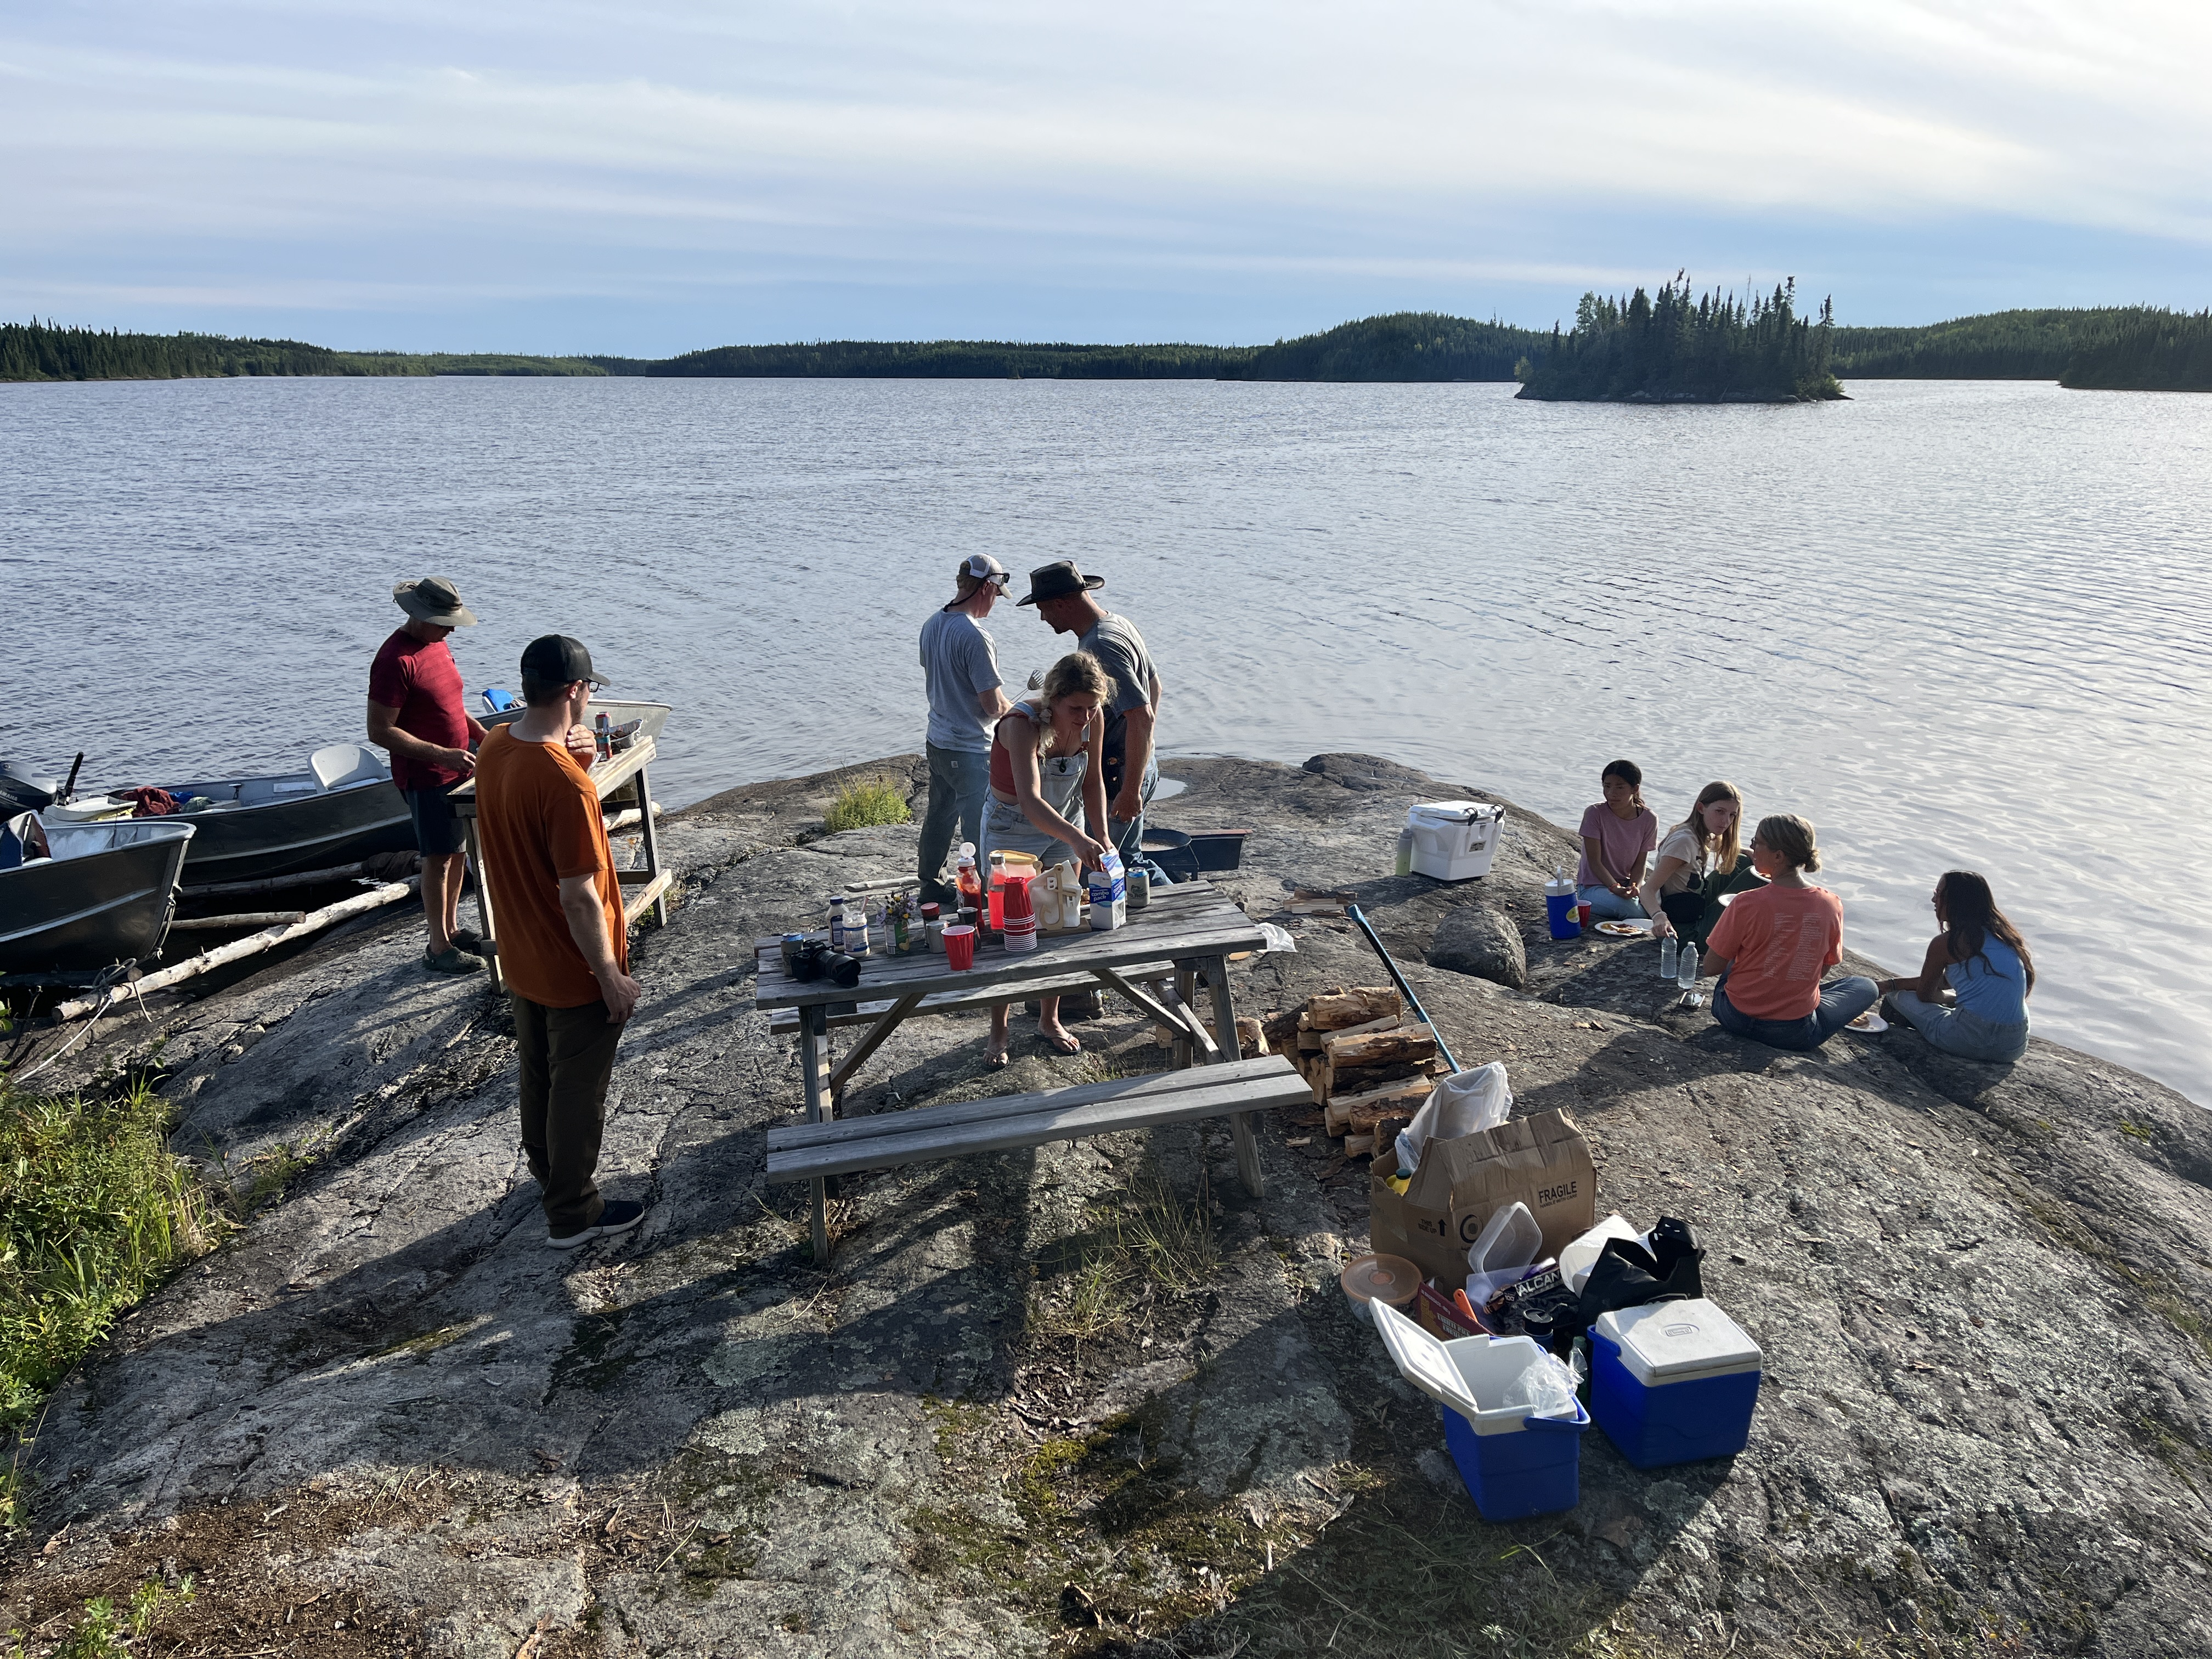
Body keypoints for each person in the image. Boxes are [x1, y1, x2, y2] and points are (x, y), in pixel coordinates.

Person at [473, 635, 647, 1249]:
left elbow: (537, 788)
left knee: (539, 1075)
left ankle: (551, 1178)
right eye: (590, 687)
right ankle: (572, 1211)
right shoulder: (566, 788)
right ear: (575, 690)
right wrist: (608, 974)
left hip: (521, 955)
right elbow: (578, 894)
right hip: (572, 965)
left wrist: (584, 756)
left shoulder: (494, 748)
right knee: (578, 1087)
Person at [981, 652, 1113, 1066]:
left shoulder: (1093, 720)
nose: (1085, 716)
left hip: (1066, 822)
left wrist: (1102, 835)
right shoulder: (1020, 725)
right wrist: (1078, 840)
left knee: (1059, 922)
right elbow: (1031, 800)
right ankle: (999, 1030)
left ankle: (1049, 1019)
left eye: (1093, 706)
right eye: (1076, 708)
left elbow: (1092, 783)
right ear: (1052, 699)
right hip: (1013, 826)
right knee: (1009, 930)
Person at [367, 577, 489, 974]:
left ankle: (452, 930)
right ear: (418, 616)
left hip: (458, 765)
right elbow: (380, 731)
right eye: (443, 621)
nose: (451, 628)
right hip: (425, 775)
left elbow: (450, 702)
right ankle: (438, 947)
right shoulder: (394, 660)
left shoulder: (437, 644)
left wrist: (479, 734)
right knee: (437, 857)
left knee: (459, 850)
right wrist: (441, 754)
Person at [1018, 559, 1164, 880]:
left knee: (1105, 867)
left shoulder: (1100, 646)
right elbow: (1154, 687)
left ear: (1060, 603)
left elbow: (1142, 714)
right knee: (1127, 860)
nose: (1043, 617)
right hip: (1139, 764)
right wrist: (1145, 752)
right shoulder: (1119, 623)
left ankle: (1185, 912)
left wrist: (1130, 788)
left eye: (1043, 609)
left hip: (1122, 774)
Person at [1700, 814, 1878, 1051]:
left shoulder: (1746, 903)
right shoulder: (1831, 904)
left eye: (1757, 842)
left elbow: (1711, 967)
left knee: (1739, 957)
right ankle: (1790, 996)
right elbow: (1823, 970)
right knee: (1866, 986)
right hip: (1793, 1032)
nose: (1752, 847)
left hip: (1734, 1016)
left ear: (1779, 856)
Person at [917, 555, 1015, 905]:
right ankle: (983, 897)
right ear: (987, 586)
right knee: (980, 826)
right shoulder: (975, 636)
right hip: (971, 749)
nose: (996, 603)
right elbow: (993, 706)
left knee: (939, 816)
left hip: (938, 741)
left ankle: (929, 884)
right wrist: (1024, 711)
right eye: (996, 594)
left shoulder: (932, 623)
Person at [1877, 871, 2033, 1063]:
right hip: (2013, 1046)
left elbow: (1925, 995)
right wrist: (1892, 983)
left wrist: (1893, 987)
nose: (1934, 898)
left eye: (1939, 892)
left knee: (1897, 997)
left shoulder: (1946, 943)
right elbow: (1957, 981)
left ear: (1957, 901)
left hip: (1967, 1040)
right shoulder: (2007, 939)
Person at [1639, 780, 1764, 949]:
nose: (1726, 821)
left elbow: (1714, 845)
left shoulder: (1697, 833)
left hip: (1697, 907)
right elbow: (1647, 890)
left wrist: (1744, 850)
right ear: (1701, 808)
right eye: (1720, 812)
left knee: (1741, 861)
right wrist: (1659, 918)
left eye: (1732, 815)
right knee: (1751, 877)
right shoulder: (1684, 842)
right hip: (1684, 933)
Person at [1576, 760, 1657, 922]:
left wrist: (1634, 887)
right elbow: (1594, 862)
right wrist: (1615, 888)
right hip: (1593, 888)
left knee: (1663, 900)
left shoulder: (1649, 819)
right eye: (1607, 786)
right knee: (1633, 910)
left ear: (1635, 789)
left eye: (1620, 787)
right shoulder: (1595, 813)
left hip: (1625, 885)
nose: (1612, 793)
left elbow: (1640, 863)